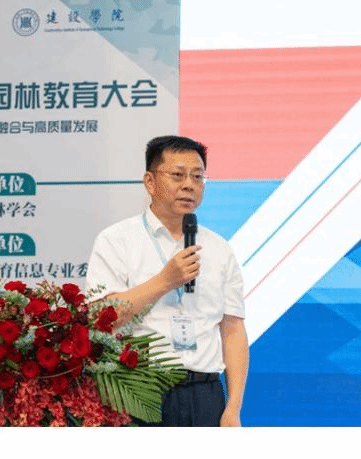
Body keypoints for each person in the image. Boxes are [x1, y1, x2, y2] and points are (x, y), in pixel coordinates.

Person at [85, 135, 248, 427]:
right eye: (178, 175)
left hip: (204, 393)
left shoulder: (219, 249)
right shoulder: (116, 240)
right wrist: (164, 281)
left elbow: (233, 329)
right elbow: (101, 318)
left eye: (197, 176)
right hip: (138, 390)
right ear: (150, 181)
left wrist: (233, 408)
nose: (189, 185)